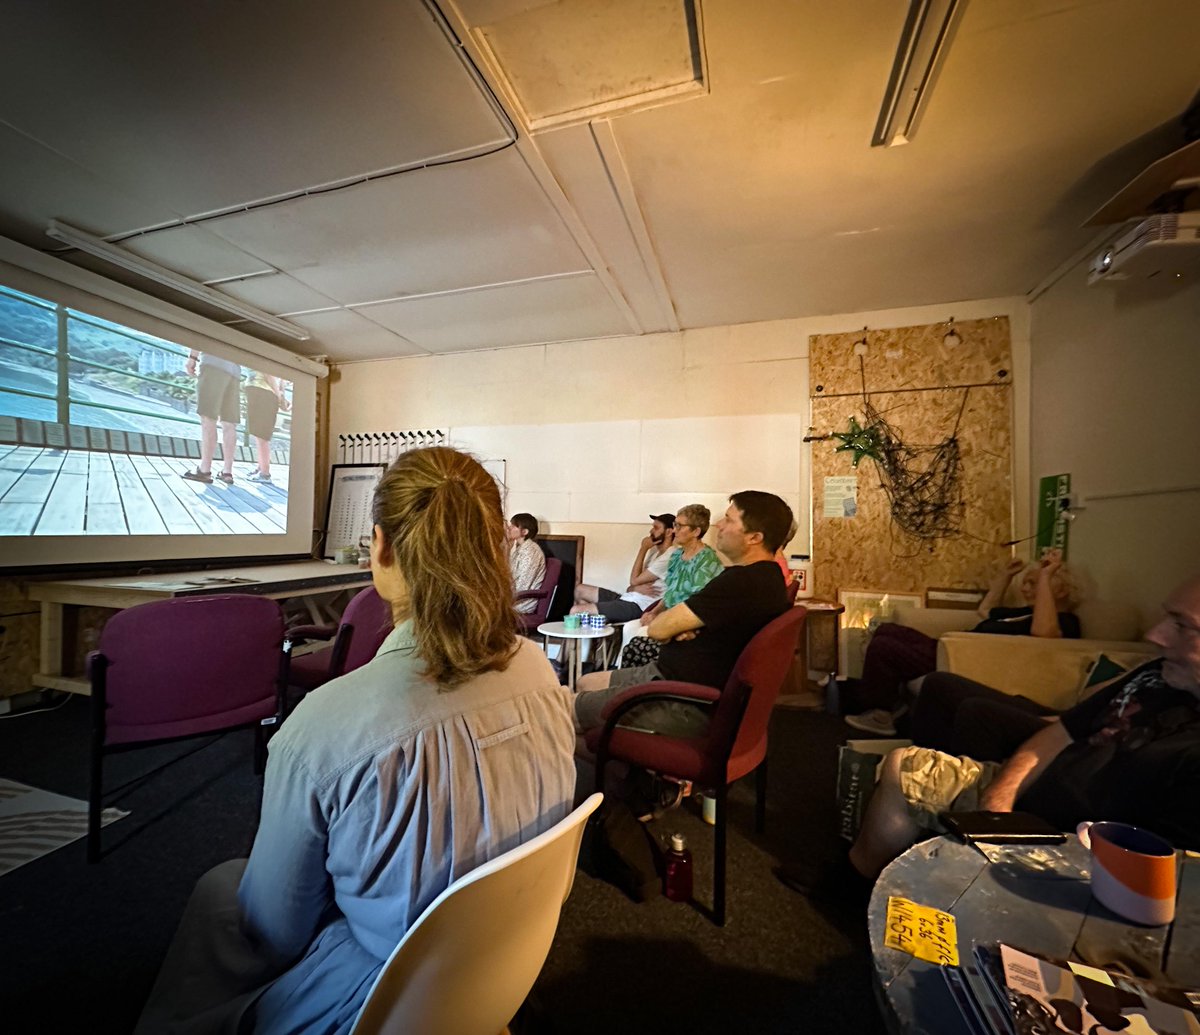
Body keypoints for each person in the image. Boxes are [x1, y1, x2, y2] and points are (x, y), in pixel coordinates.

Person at [135, 447, 576, 1035]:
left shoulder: (323, 726)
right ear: (494, 550)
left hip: (384, 997)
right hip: (510, 957)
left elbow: (274, 929)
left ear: (382, 547)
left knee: (220, 890)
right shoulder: (541, 671)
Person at [778, 572, 1200, 901]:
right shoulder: (1154, 677)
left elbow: (1164, 882)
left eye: (1183, 626)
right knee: (905, 759)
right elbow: (1058, 733)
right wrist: (1002, 797)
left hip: (1069, 843)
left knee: (967, 707)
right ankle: (860, 877)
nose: (1155, 634)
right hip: (1029, 792)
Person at [574, 491, 794, 739]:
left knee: (563, 711)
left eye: (729, 520)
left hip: (679, 698)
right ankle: (615, 763)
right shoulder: (766, 577)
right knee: (584, 683)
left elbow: (658, 630)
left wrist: (676, 627)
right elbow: (682, 615)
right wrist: (680, 626)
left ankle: (608, 761)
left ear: (755, 537)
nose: (719, 525)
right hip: (670, 676)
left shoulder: (741, 582)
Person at [844, 549, 1080, 736]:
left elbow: (1045, 634)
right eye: (1026, 583)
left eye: (1034, 584)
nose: (1026, 588)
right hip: (952, 647)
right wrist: (1005, 577)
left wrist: (1046, 576)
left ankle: (881, 716)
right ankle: (890, 705)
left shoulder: (1063, 622)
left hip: (968, 659)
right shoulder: (1023, 613)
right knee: (887, 630)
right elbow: (986, 611)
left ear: (1059, 591)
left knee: (886, 648)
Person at [619, 504, 726, 669]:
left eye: (679, 526)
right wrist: (653, 612)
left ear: (696, 532)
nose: (674, 530)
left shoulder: (707, 560)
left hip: (687, 623)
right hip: (668, 614)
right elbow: (670, 591)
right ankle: (623, 679)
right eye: (675, 524)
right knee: (630, 627)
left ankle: (639, 682)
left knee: (639, 635)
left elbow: (698, 604)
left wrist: (663, 619)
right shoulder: (676, 555)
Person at [571, 513, 676, 623]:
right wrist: (633, 588)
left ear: (669, 532)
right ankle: (594, 635)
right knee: (579, 590)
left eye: (656, 528)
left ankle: (590, 635)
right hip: (628, 598)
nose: (651, 532)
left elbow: (634, 580)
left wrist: (643, 548)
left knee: (576, 610)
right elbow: (633, 585)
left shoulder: (670, 556)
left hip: (639, 606)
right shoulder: (655, 552)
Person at [182, 350, 241, 485]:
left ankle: (204, 470)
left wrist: (192, 358)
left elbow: (201, 332)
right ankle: (227, 472)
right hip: (234, 370)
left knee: (208, 418)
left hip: (213, 363)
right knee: (229, 423)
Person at [243, 369, 290, 483]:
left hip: (263, 392)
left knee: (261, 435)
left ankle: (264, 473)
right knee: (260, 434)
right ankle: (261, 467)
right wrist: (280, 395)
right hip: (263, 392)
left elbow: (268, 372)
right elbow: (281, 379)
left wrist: (278, 395)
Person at [507, 511, 546, 614]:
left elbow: (523, 585)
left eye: (514, 526)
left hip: (522, 603)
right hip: (512, 598)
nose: (509, 528)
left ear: (524, 532)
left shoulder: (531, 551)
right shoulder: (517, 547)